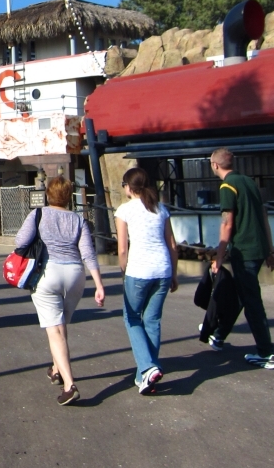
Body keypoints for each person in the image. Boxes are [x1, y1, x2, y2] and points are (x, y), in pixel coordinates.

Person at [15, 176, 105, 406]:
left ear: (48, 194)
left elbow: (20, 241)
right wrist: (99, 284)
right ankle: (56, 369)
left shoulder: (38, 214)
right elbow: (88, 253)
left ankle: (69, 384)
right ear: (68, 197)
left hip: (48, 272)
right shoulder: (78, 219)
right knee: (61, 325)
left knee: (55, 330)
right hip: (75, 274)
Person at [209, 147, 274, 370]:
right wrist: (270, 250)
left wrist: (219, 256)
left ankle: (266, 353)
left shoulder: (227, 186)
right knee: (242, 294)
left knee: (252, 302)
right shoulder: (249, 182)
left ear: (215, 165)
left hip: (244, 250)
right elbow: (264, 217)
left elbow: (227, 223)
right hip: (258, 248)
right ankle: (219, 335)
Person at [115, 167, 179, 395]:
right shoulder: (160, 209)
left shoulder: (124, 210)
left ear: (129, 187)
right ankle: (144, 375)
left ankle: (148, 367)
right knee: (152, 321)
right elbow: (172, 245)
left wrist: (124, 271)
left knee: (132, 318)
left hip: (139, 270)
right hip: (163, 269)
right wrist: (174, 273)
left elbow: (122, 249)